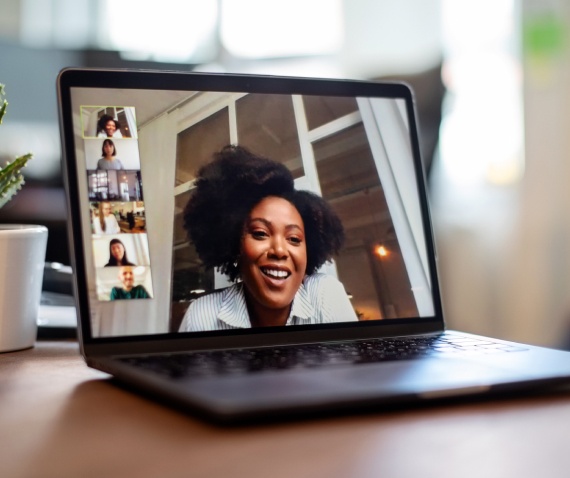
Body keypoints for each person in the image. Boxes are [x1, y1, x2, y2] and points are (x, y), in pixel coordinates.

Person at [178, 145, 357, 332]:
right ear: (235, 246)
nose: (279, 250)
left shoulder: (326, 296)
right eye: (260, 233)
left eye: (294, 239)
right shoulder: (201, 317)